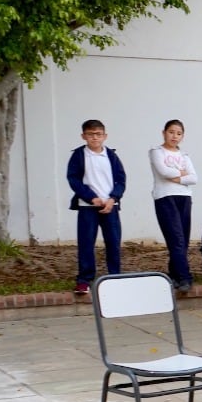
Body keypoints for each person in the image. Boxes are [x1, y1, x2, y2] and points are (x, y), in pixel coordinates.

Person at [66, 119, 126, 296]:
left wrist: (113, 198)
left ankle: (115, 277)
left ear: (105, 136)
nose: (95, 138)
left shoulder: (111, 156)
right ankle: (85, 280)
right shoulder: (78, 155)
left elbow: (121, 180)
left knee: (113, 242)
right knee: (86, 243)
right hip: (87, 207)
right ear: (83, 136)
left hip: (110, 206)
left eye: (98, 134)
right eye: (91, 134)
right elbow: (74, 179)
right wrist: (91, 197)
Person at [149, 119, 198, 292]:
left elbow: (194, 178)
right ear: (164, 133)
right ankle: (185, 278)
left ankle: (175, 275)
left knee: (182, 240)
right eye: (171, 132)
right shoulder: (156, 152)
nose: (174, 136)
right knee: (176, 238)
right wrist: (181, 175)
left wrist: (176, 177)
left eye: (178, 133)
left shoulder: (184, 155)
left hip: (184, 198)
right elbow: (163, 172)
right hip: (165, 198)